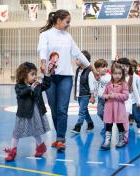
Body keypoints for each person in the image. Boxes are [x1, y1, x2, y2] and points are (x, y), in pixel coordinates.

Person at [37, 9, 99, 152]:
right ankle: (59, 137)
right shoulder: (45, 35)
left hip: (66, 77)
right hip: (49, 77)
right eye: (67, 22)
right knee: (53, 109)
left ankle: (60, 139)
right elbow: (43, 49)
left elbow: (78, 53)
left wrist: (93, 69)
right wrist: (43, 62)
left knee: (62, 109)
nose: (68, 25)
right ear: (58, 21)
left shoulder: (68, 37)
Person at [5, 62, 51, 162]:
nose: (35, 76)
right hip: (23, 113)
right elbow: (21, 93)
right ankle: (12, 151)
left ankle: (41, 146)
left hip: (36, 112)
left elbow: (46, 85)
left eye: (35, 74)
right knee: (16, 132)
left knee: (36, 131)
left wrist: (47, 74)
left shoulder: (37, 85)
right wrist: (30, 88)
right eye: (32, 74)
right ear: (24, 75)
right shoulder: (19, 86)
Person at [101, 63, 129, 150]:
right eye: (115, 73)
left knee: (119, 124)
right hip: (109, 108)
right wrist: (106, 96)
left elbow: (126, 96)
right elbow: (103, 95)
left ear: (122, 74)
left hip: (119, 108)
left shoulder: (124, 84)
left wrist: (115, 95)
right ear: (112, 73)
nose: (117, 76)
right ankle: (107, 141)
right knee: (108, 125)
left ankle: (121, 139)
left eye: (119, 73)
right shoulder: (108, 84)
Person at [71, 50, 95, 134]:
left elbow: (91, 84)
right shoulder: (78, 70)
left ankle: (78, 126)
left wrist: (92, 96)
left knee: (81, 111)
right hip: (79, 94)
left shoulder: (89, 71)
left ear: (84, 60)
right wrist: (75, 94)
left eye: (77, 59)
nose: (75, 60)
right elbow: (77, 82)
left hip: (85, 94)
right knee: (85, 110)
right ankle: (90, 123)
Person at [94, 59, 111, 134]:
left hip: (108, 98)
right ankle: (106, 123)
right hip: (100, 98)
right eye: (102, 67)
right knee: (99, 113)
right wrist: (93, 96)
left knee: (108, 113)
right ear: (97, 69)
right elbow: (95, 87)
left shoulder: (108, 76)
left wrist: (99, 78)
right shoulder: (95, 77)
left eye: (106, 67)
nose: (105, 68)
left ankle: (107, 127)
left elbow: (105, 81)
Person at [130, 59, 140, 134]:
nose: (130, 69)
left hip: (135, 100)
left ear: (134, 68)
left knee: (136, 114)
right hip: (127, 100)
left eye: (132, 67)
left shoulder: (137, 77)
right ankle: (130, 119)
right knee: (126, 114)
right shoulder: (123, 77)